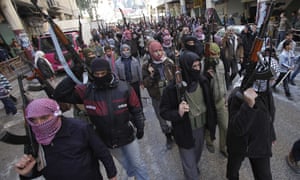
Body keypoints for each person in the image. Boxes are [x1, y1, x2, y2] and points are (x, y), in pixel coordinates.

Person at [54, 58, 149, 180]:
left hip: (127, 135)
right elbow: (59, 94)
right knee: (126, 163)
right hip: (106, 139)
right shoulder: (86, 91)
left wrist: (140, 127)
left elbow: (136, 109)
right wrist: (73, 75)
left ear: (109, 72)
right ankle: (134, 175)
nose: (100, 76)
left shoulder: (124, 88)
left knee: (137, 163)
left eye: (103, 73)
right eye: (97, 74)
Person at [14, 98, 117, 180]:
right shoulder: (34, 137)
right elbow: (37, 167)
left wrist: (112, 175)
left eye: (44, 118)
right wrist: (27, 173)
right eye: (33, 120)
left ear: (56, 114)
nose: (39, 124)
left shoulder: (80, 128)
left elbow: (102, 152)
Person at [160, 51, 216, 179]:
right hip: (184, 130)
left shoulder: (202, 81)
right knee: (190, 167)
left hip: (201, 128)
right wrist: (177, 112)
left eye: (198, 66)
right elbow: (163, 111)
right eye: (194, 67)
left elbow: (210, 103)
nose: (197, 69)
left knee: (196, 156)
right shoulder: (173, 88)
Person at [226, 58, 276, 180]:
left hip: (260, 143)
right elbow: (237, 128)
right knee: (233, 171)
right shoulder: (237, 95)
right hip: (240, 144)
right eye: (271, 79)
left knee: (264, 175)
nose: (273, 81)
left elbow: (268, 115)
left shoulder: (266, 92)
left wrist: (271, 134)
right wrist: (248, 105)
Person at [142, 40, 175, 150]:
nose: (159, 53)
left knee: (174, 115)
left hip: (170, 94)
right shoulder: (146, 66)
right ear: (151, 52)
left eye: (160, 50)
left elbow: (176, 76)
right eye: (155, 51)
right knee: (162, 118)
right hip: (157, 96)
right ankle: (168, 136)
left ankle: (176, 132)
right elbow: (145, 84)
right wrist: (151, 76)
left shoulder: (168, 62)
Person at [204, 43, 228, 157]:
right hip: (209, 104)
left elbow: (223, 81)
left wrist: (225, 96)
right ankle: (209, 142)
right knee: (210, 125)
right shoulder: (204, 64)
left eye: (218, 53)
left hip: (220, 101)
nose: (217, 56)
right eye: (214, 54)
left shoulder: (221, 63)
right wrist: (206, 75)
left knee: (225, 126)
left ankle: (223, 147)